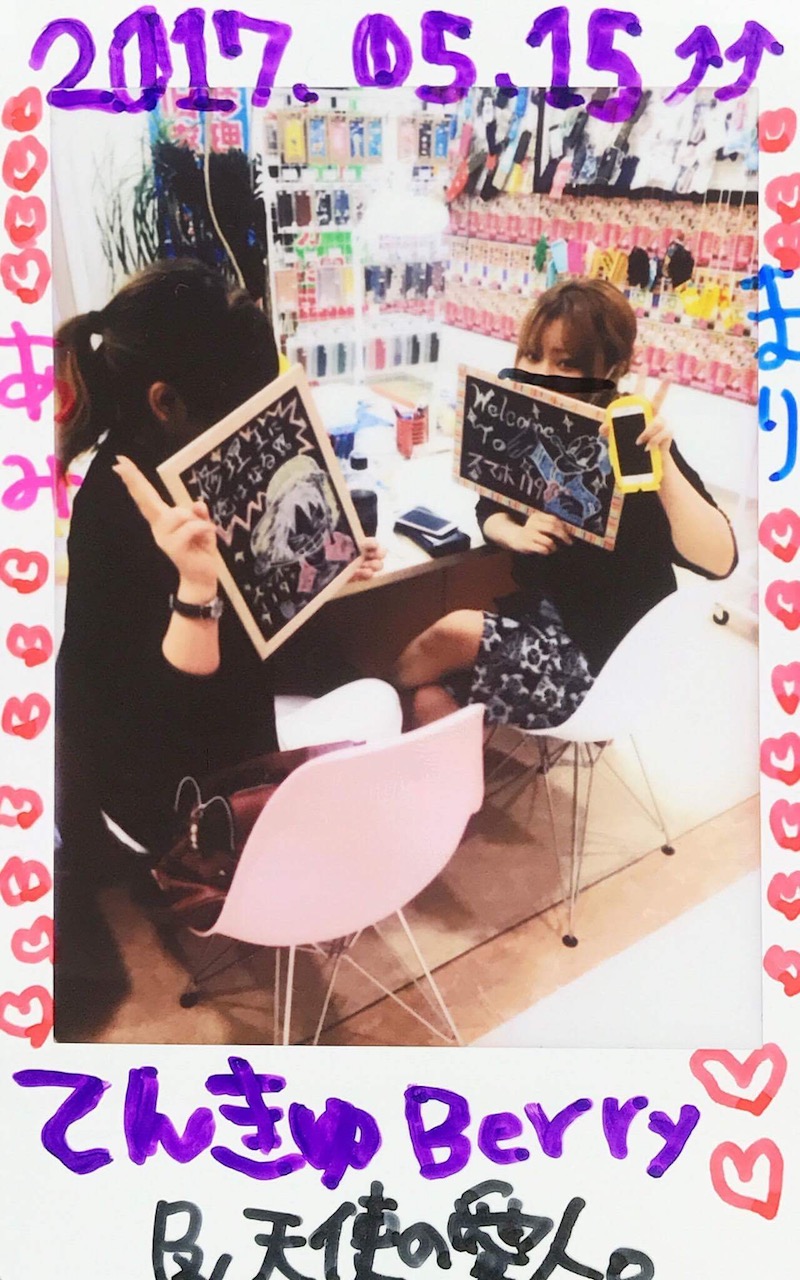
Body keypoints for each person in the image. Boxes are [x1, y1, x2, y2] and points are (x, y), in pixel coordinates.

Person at [56, 259, 401, 855]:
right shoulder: (123, 507)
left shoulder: (198, 458)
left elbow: (249, 603)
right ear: (165, 402)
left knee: (356, 683)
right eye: (247, 405)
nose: (263, 421)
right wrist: (196, 586)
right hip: (179, 794)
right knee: (380, 703)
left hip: (207, 737)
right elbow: (170, 711)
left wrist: (320, 563)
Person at [393, 278, 737, 728]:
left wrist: (663, 464)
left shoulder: (628, 436)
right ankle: (388, 733)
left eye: (566, 362)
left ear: (611, 367)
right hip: (542, 623)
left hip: (608, 659)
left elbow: (720, 561)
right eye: (533, 355)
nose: (541, 372)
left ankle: (373, 708)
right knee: (429, 701)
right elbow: (488, 508)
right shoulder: (525, 418)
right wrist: (514, 532)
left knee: (454, 632)